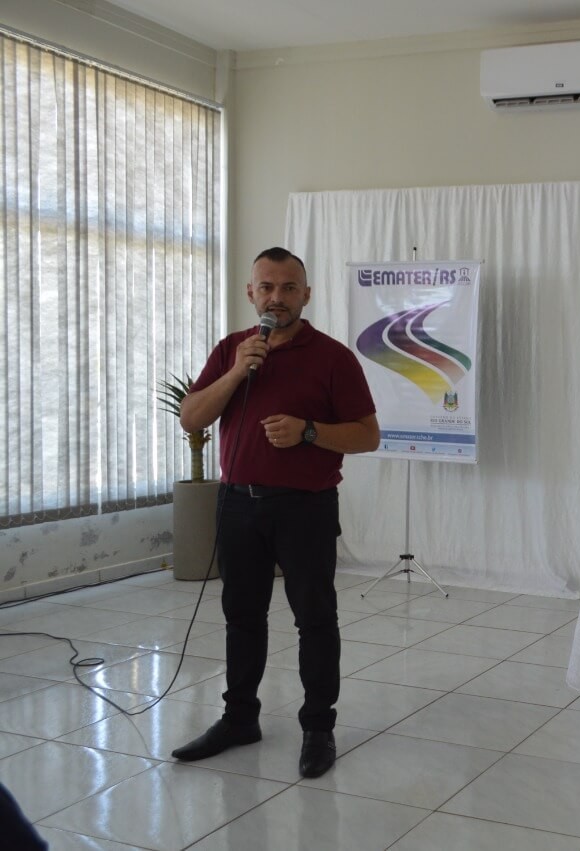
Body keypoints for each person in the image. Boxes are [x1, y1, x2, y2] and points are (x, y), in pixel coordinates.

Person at [170, 247, 379, 778]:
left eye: (289, 288)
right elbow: (191, 416)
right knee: (241, 616)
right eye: (267, 287)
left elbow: (367, 435)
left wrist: (308, 431)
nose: (276, 298)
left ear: (306, 295)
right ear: (251, 293)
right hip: (237, 504)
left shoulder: (333, 357)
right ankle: (240, 718)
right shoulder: (233, 351)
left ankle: (318, 727)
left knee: (314, 619)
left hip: (304, 508)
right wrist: (237, 372)